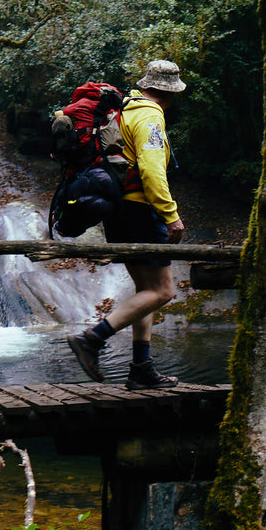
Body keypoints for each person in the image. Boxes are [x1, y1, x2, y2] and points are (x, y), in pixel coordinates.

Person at [67, 60, 186, 390]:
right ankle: (93, 338)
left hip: (116, 210)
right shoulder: (149, 114)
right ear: (168, 93)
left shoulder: (125, 109)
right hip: (140, 210)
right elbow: (151, 169)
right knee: (163, 291)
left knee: (145, 290)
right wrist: (170, 213)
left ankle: (141, 368)